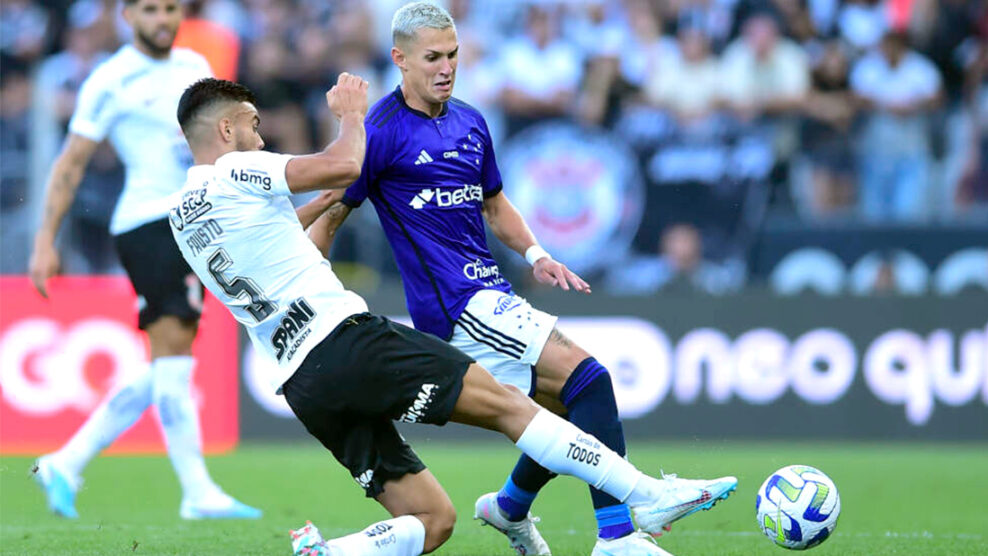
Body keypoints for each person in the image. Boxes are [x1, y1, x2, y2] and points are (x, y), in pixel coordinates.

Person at [170, 74, 736, 556]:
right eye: (251, 125)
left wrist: (323, 205)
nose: (260, 135)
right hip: (348, 342)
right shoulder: (234, 172)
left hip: (304, 383)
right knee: (513, 406)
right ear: (226, 130)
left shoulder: (181, 213)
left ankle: (332, 551)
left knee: (433, 522)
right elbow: (344, 164)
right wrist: (350, 115)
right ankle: (641, 496)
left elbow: (284, 244)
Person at [306, 3, 735, 555]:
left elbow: (494, 204)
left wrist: (535, 252)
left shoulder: (470, 121)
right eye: (432, 57)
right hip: (457, 304)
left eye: (454, 55)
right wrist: (317, 300)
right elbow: (330, 214)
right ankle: (618, 536)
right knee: (590, 378)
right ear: (400, 60)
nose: (446, 67)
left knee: (559, 406)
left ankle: (508, 508)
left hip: (492, 290)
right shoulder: (380, 132)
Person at [27, 0, 258, 520]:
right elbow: (70, 164)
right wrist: (45, 241)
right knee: (174, 353)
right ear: (128, 15)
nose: (162, 19)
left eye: (171, 8)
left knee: (168, 362)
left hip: (193, 221)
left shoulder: (195, 67)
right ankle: (197, 492)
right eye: (150, 9)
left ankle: (66, 461)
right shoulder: (111, 80)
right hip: (148, 222)